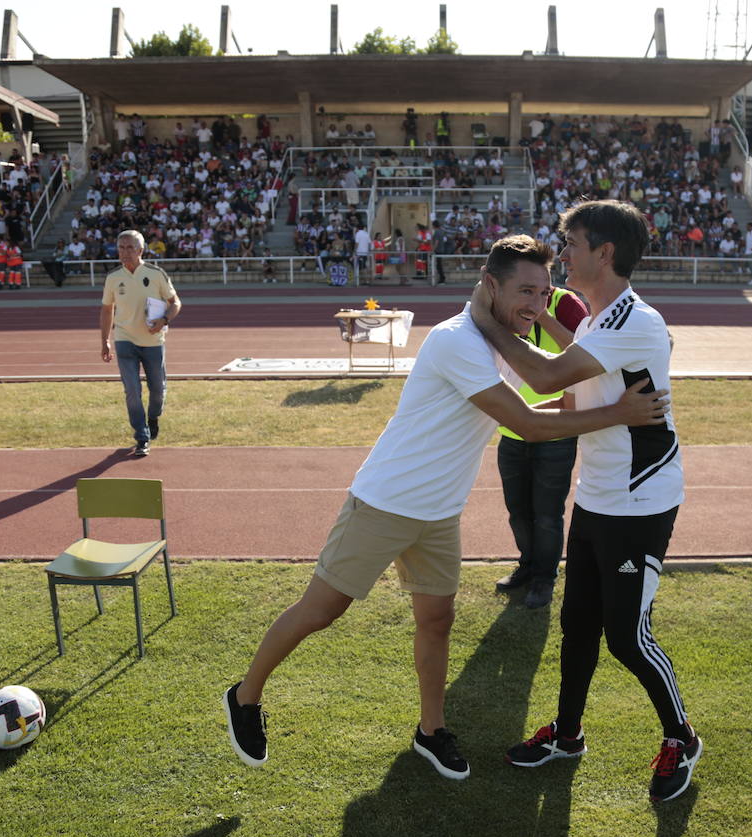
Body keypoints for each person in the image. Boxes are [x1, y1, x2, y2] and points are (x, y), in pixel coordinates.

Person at [222, 234, 670, 782]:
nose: (537, 303)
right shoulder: (458, 339)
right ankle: (245, 696)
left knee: (436, 620)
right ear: (490, 286)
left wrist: (604, 400)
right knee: (321, 611)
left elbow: (532, 400)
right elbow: (527, 425)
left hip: (437, 513)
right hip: (386, 502)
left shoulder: (502, 339)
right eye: (525, 291)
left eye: (545, 292)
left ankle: (430, 731)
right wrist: (620, 413)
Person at [469, 200, 699, 803]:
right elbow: (567, 408)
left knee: (627, 636)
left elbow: (545, 379)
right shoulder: (598, 321)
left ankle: (682, 736)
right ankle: (567, 735)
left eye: (570, 243)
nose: (563, 253)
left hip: (642, 501)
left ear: (605, 253)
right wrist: (502, 421)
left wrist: (484, 317)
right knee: (576, 627)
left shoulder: (635, 322)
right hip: (597, 496)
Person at [493, 284, 588, 609]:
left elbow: (585, 353)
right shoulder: (506, 305)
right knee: (518, 512)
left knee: (547, 515)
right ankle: (527, 565)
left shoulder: (565, 303)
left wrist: (544, 315)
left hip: (556, 432)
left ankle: (544, 579)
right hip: (513, 428)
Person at [99, 230, 181, 458]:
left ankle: (153, 417)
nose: (125, 252)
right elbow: (107, 309)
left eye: (130, 248)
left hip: (153, 342)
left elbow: (175, 303)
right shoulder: (113, 277)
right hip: (124, 340)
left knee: (158, 390)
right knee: (132, 391)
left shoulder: (156, 274)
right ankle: (142, 436)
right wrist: (105, 339)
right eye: (121, 248)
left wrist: (164, 319)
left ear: (141, 251)